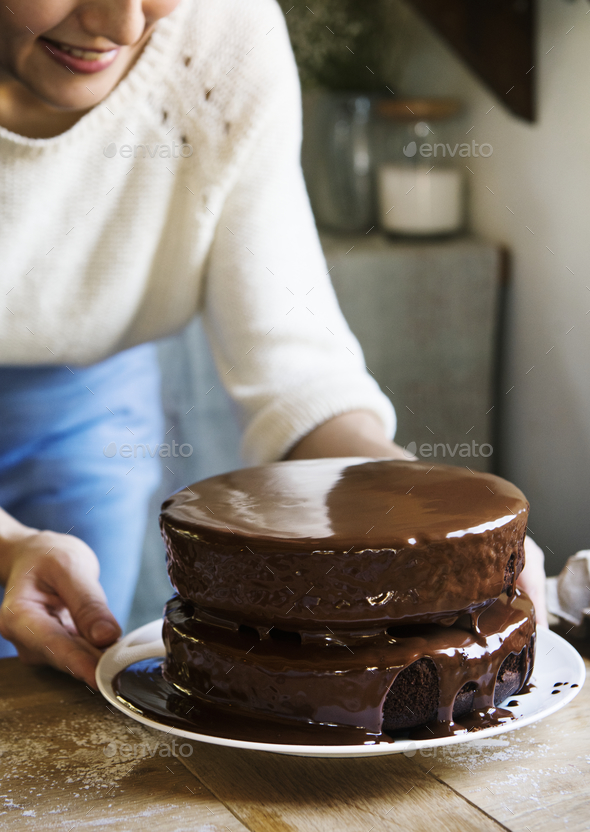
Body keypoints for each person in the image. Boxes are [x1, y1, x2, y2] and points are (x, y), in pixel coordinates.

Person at [0, 0, 547, 690]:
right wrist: (12, 545)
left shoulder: (227, 39)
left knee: (50, 697)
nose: (121, 25)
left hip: (81, 406)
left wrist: (435, 521)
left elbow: (296, 377)